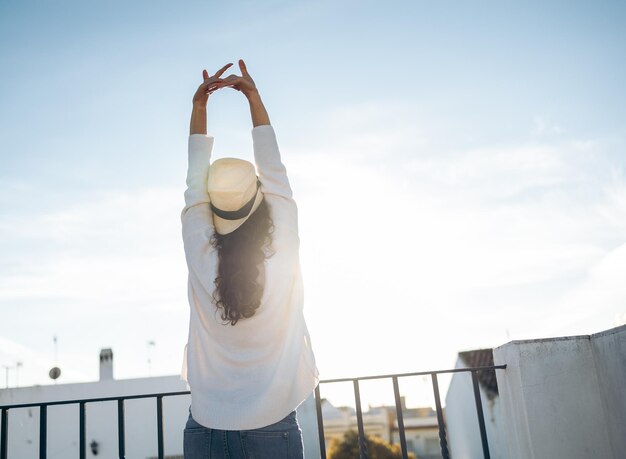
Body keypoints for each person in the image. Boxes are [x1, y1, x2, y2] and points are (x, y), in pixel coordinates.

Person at [180, 59, 319, 459]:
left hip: (204, 428)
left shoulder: (199, 251)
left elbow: (194, 185)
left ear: (212, 207)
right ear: (258, 198)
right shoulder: (282, 247)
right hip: (271, 425)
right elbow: (275, 172)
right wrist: (253, 97)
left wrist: (199, 108)